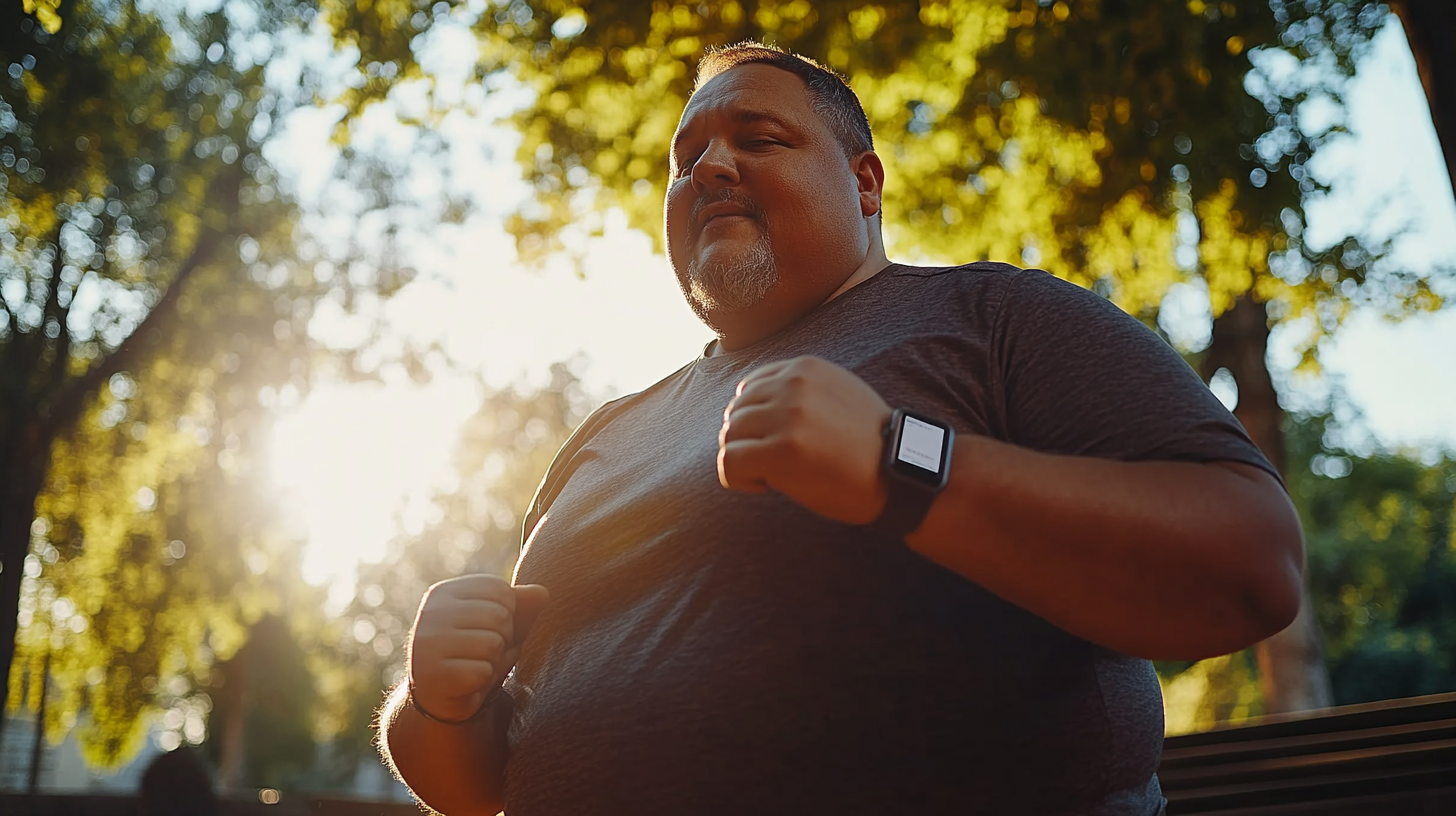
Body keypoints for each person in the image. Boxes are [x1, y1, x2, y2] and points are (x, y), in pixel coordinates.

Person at [377, 42, 1303, 816]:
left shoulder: (997, 318)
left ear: (865, 183)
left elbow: (1254, 562)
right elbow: (488, 784)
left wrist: (901, 460)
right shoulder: (603, 435)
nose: (710, 167)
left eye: (759, 137)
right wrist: (434, 708)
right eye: (685, 158)